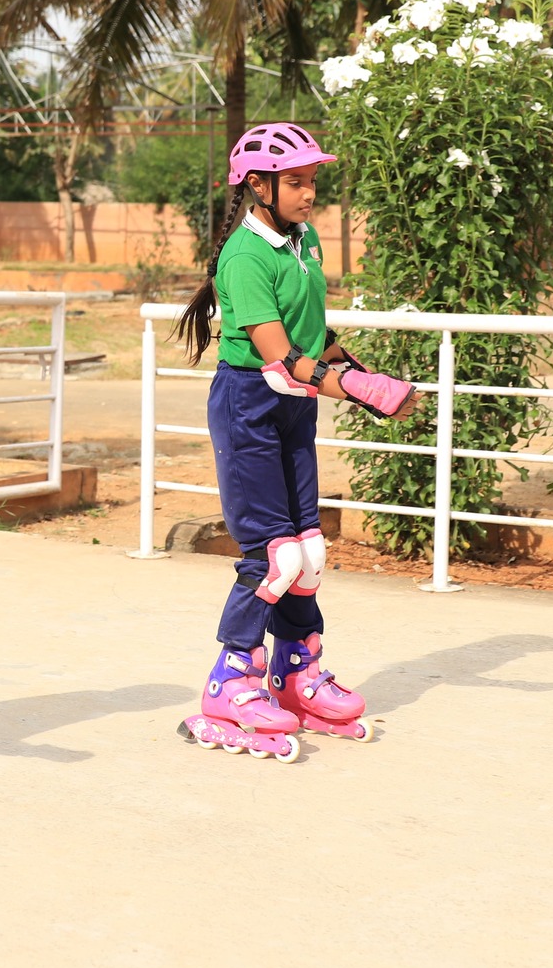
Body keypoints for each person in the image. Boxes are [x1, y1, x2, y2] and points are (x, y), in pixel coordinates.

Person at [170, 124, 420, 762]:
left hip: (291, 409)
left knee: (308, 551)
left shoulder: (300, 240)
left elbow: (313, 338)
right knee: (272, 558)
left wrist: (362, 372)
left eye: (313, 180)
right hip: (250, 405)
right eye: (297, 182)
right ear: (258, 186)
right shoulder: (245, 256)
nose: (310, 193)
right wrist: (359, 390)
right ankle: (232, 681)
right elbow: (279, 361)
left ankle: (295, 673)